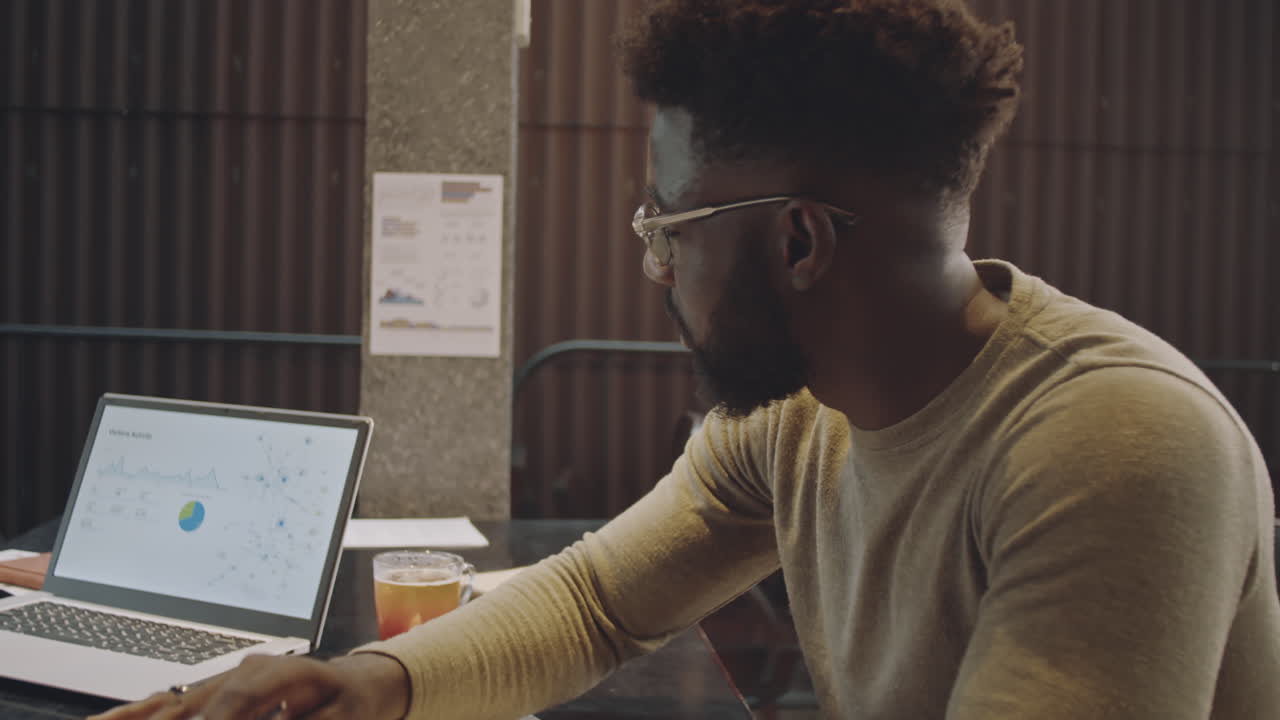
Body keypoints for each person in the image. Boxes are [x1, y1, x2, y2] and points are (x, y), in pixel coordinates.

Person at [94, 1, 1280, 718]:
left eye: (666, 229)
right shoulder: (801, 416)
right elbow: (599, 600)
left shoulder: (1112, 447)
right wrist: (374, 684)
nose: (652, 269)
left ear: (797, 242)